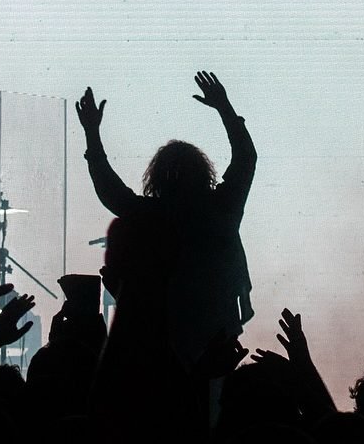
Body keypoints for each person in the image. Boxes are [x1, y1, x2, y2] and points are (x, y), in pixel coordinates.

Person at [75, 71, 256, 370]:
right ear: (204, 173)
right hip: (216, 335)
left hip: (160, 341)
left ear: (156, 178)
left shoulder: (151, 214)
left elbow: (111, 192)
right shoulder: (221, 208)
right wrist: (224, 108)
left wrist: (92, 134)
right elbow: (246, 159)